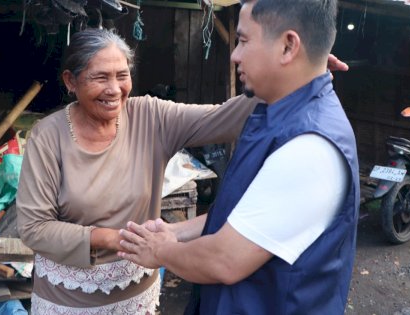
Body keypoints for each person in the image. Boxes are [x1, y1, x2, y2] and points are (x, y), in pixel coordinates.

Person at [118, 0, 360, 314]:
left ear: (288, 47)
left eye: (244, 41)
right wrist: (175, 232)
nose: (234, 55)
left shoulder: (309, 145)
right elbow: (246, 216)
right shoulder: (273, 113)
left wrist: (162, 251)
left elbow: (224, 259)